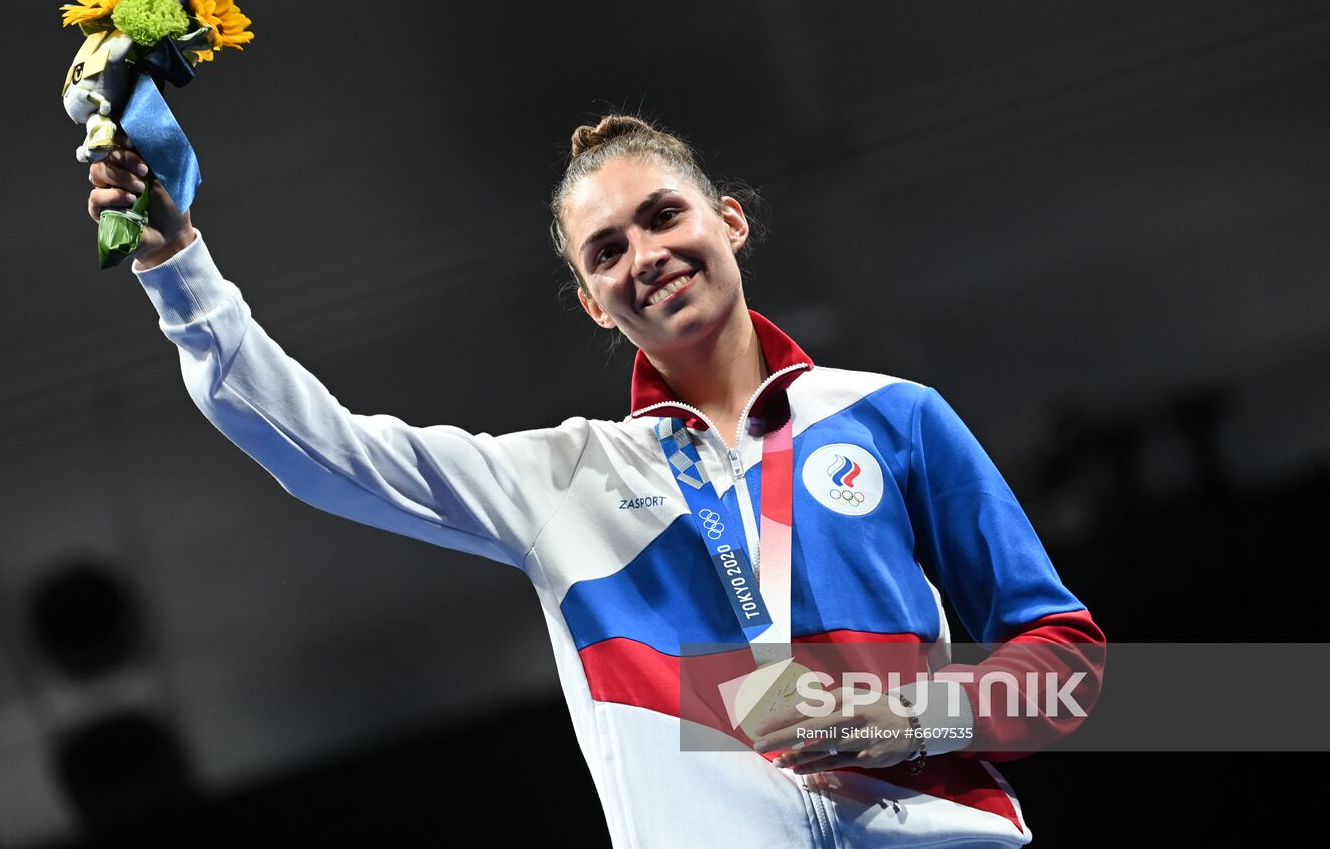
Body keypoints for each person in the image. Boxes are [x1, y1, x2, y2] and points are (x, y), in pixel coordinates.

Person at [85, 114, 1105, 847]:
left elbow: (1070, 674)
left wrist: (913, 714)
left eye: (664, 216)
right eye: (607, 250)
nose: (646, 255)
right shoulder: (561, 484)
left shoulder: (893, 417)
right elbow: (321, 449)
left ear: (731, 222)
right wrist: (177, 264)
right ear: (589, 303)